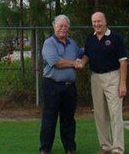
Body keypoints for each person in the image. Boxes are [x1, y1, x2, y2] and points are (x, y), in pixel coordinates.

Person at [79, 11, 128, 154]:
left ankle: (118, 148)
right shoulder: (90, 38)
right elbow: (86, 56)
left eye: (99, 21)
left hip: (113, 77)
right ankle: (105, 146)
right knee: (99, 114)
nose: (96, 24)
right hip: (96, 78)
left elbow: (123, 61)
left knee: (115, 113)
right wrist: (81, 63)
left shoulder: (116, 38)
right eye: (94, 22)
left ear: (105, 21)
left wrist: (122, 83)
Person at [40, 14, 83, 154]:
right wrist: (73, 63)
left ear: (68, 28)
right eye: (60, 26)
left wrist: (89, 48)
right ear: (54, 27)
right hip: (51, 86)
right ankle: (45, 149)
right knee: (49, 119)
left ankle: (70, 148)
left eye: (65, 26)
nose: (63, 29)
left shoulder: (72, 43)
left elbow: (80, 55)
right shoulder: (49, 43)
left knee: (69, 120)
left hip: (69, 87)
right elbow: (56, 62)